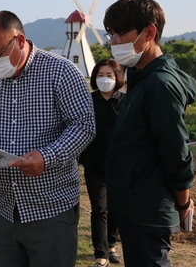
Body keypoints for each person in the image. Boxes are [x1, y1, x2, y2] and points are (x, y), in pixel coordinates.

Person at [0, 10, 96, 267]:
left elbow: (84, 125)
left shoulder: (60, 71)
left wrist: (46, 156)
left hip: (50, 208)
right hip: (2, 207)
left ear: (19, 41)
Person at [103, 0, 196, 266]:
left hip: (148, 209)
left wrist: (184, 203)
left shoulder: (159, 84)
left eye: (120, 34)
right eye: (111, 35)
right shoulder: (140, 75)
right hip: (133, 204)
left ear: (149, 32)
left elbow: (176, 152)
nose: (114, 43)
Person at [79, 59, 125, 267]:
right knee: (100, 209)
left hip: (119, 166)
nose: (105, 79)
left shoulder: (126, 103)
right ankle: (101, 254)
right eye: (100, 75)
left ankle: (112, 245)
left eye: (109, 75)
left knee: (115, 207)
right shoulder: (87, 102)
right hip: (94, 165)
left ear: (117, 78)